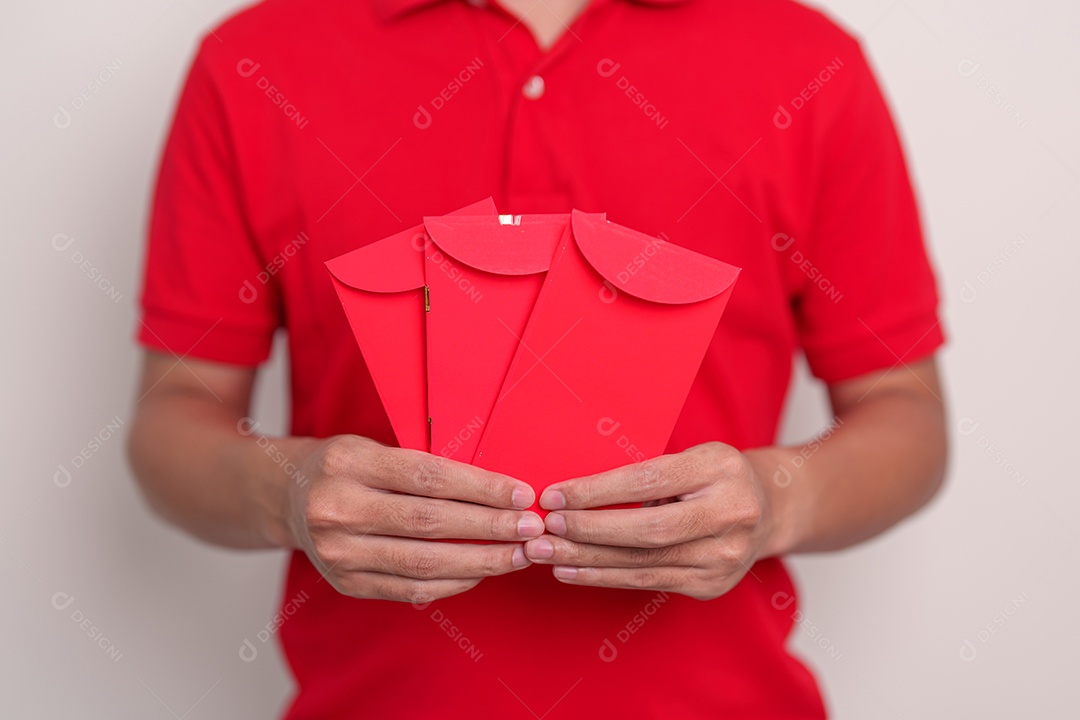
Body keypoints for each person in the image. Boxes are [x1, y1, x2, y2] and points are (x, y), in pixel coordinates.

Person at [127, 0, 948, 717]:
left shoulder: (806, 63)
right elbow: (173, 419)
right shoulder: (256, 63)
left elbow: (905, 415)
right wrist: (288, 489)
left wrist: (777, 500)